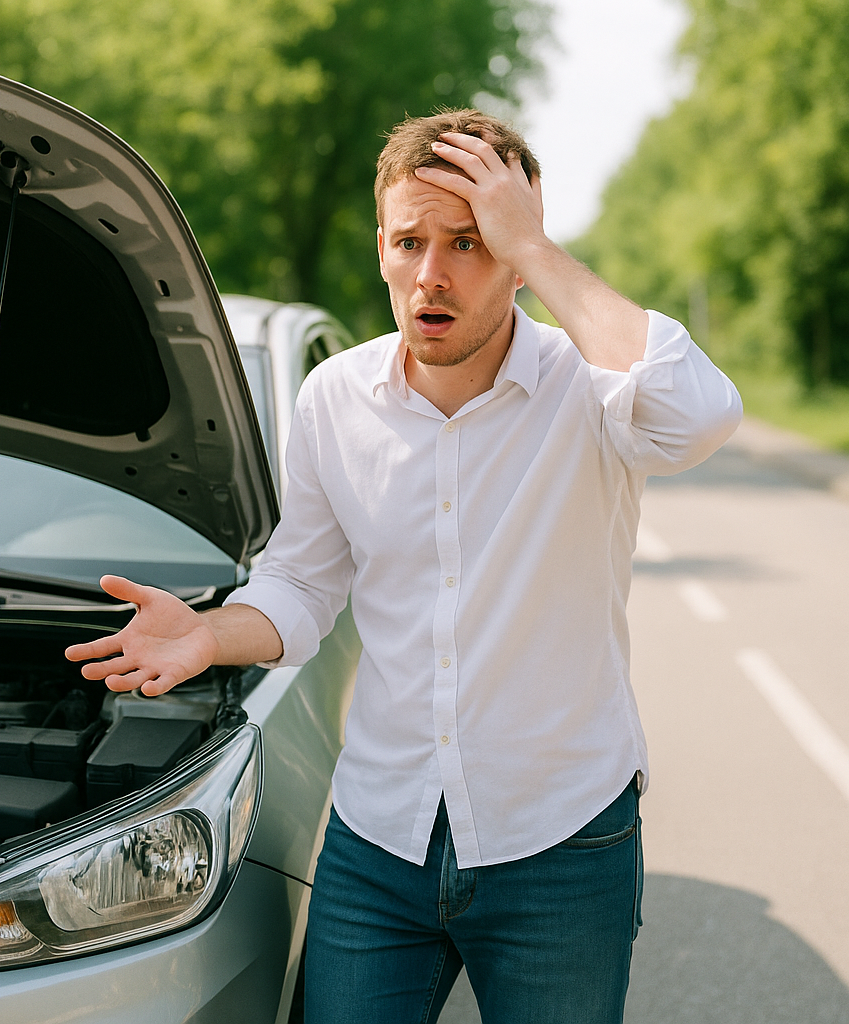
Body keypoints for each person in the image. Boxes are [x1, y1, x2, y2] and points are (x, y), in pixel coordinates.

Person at [66, 109, 742, 1023]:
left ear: (517, 250)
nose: (433, 274)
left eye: (470, 241)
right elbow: (300, 585)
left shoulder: (592, 388)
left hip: (562, 840)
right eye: (411, 241)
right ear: (381, 248)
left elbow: (700, 415)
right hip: (380, 842)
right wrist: (208, 634)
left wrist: (534, 246)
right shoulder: (335, 398)